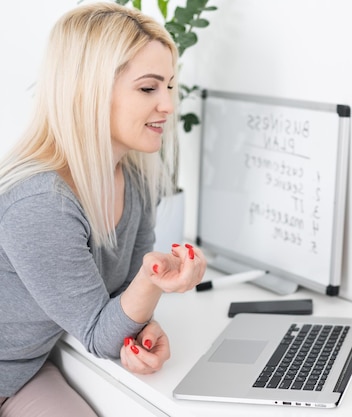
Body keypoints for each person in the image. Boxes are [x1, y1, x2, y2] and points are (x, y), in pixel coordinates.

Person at [0, 2, 207, 416]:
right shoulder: (42, 202)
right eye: (149, 88)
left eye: (169, 86)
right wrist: (154, 279)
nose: (168, 104)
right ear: (88, 92)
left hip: (26, 369)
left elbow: (116, 305)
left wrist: (142, 335)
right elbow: (100, 332)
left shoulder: (135, 179)